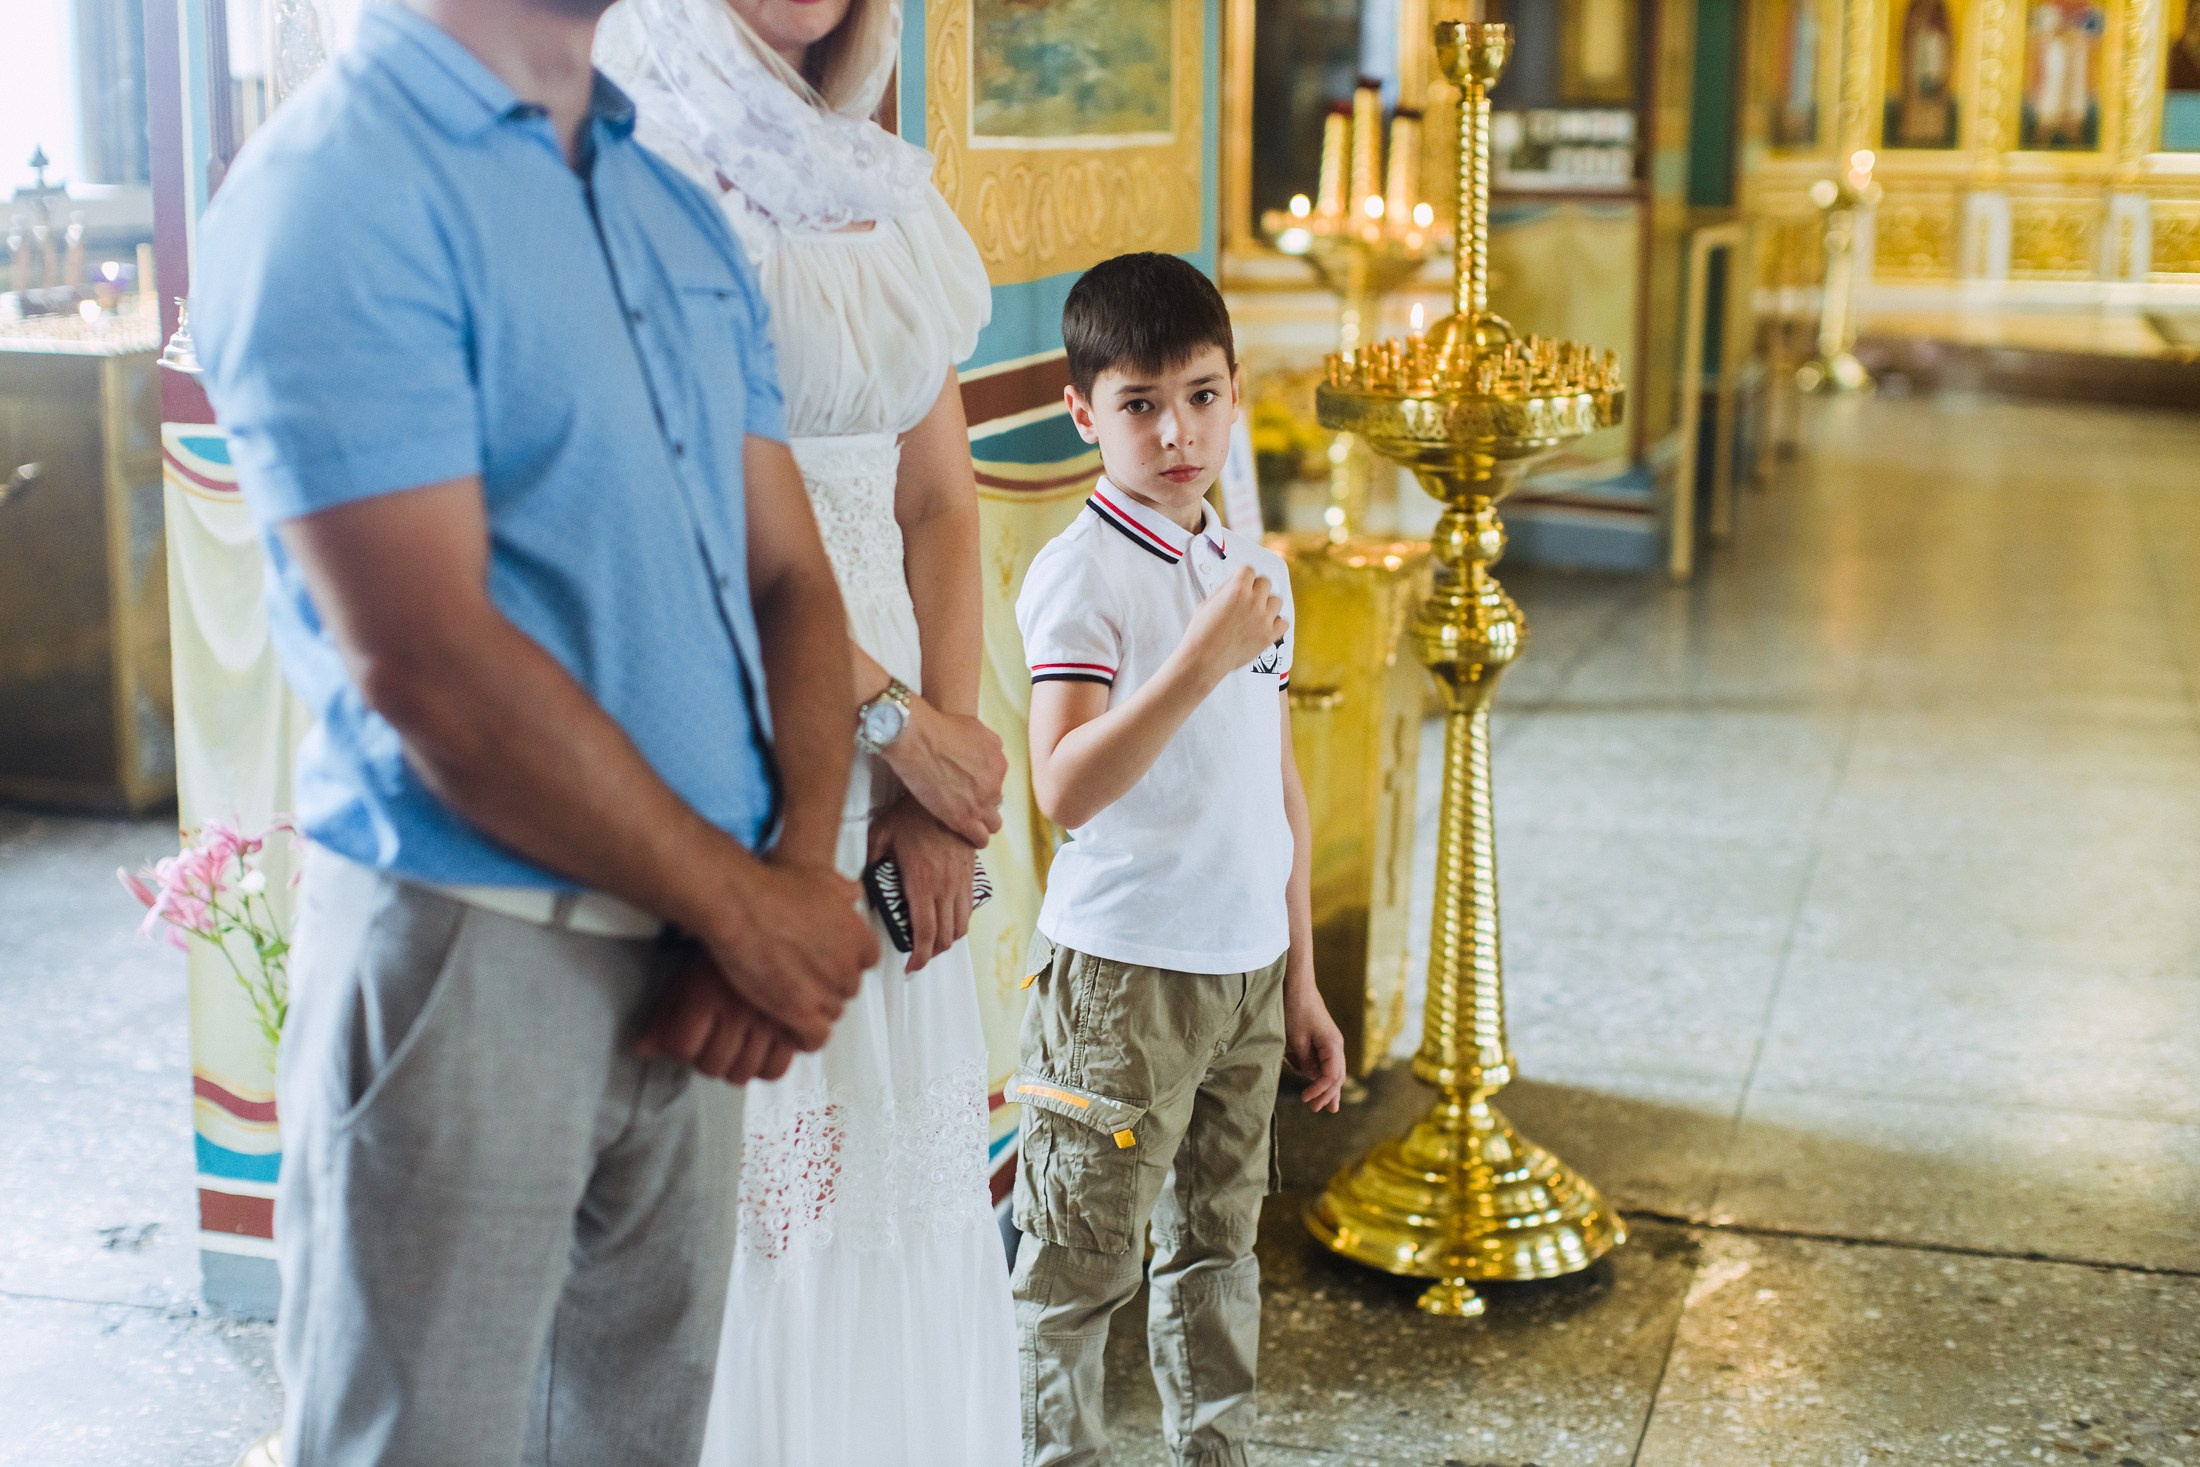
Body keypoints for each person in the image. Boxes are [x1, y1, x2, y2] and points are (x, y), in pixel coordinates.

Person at [188, 0, 877, 1459]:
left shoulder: (667, 210)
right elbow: (429, 664)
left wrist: (790, 879)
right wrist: (747, 906)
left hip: (696, 971)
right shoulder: (337, 185)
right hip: (473, 954)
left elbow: (793, 582)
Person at [594, 1, 1019, 1463]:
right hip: (735, 729)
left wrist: (940, 780)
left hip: (905, 750)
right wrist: (900, 730)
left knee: (897, 1168)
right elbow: (682, 524)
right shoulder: (642, 159)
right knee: (762, 1184)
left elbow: (940, 501)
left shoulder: (878, 182)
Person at [1010, 252, 1350, 1467]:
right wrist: (1199, 659)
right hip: (1124, 980)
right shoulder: (1080, 574)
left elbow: (1275, 787)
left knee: (1217, 1252)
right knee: (1075, 1271)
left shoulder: (1255, 571)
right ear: (1082, 413)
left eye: (1201, 397)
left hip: (1246, 969)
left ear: (1235, 391)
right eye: (1139, 405)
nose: (1176, 433)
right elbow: (1064, 787)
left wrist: (1300, 977)